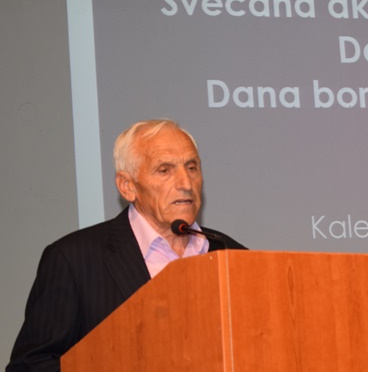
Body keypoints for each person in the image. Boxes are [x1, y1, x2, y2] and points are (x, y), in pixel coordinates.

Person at [7, 119, 246, 371]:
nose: (186, 183)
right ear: (127, 186)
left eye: (192, 167)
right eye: (164, 170)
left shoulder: (232, 254)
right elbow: (31, 366)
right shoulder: (74, 260)